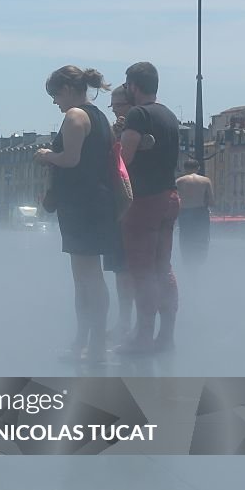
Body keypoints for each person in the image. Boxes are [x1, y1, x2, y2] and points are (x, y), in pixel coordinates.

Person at [34, 66, 115, 363]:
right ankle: (85, 341)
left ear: (67, 89)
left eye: (55, 95)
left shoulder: (75, 116)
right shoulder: (100, 117)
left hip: (83, 204)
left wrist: (46, 156)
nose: (55, 102)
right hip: (95, 201)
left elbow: (71, 159)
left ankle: (92, 345)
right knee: (87, 277)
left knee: (87, 278)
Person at [116, 62, 181, 354]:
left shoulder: (137, 114)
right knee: (163, 268)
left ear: (133, 86)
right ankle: (165, 338)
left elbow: (123, 160)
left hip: (144, 201)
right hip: (170, 198)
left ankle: (141, 339)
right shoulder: (168, 115)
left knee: (141, 271)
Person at [106, 85, 138, 340]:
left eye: (118, 105)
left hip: (128, 206)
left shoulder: (132, 130)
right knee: (122, 270)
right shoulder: (120, 130)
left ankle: (128, 323)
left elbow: (120, 162)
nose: (115, 110)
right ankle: (126, 321)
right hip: (123, 206)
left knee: (126, 269)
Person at [175, 159, 213, 267]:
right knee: (202, 241)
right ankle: (200, 265)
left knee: (185, 241)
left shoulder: (179, 181)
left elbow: (175, 199)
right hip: (201, 213)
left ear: (184, 168)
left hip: (185, 213)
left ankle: (187, 265)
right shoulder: (206, 181)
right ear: (198, 168)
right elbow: (212, 201)